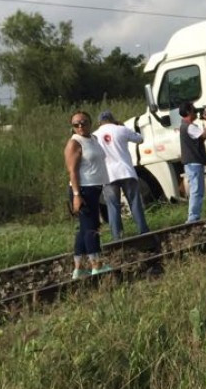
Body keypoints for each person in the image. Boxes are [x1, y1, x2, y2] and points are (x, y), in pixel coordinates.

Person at [64, 110, 112, 278]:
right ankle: (96, 265)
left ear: (90, 123)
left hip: (95, 188)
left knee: (84, 229)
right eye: (76, 124)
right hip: (83, 190)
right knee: (92, 228)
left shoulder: (93, 139)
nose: (80, 126)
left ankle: (78, 268)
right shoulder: (74, 143)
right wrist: (77, 195)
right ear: (72, 127)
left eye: (83, 122)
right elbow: (72, 172)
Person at [93, 110, 150, 240]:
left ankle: (117, 237)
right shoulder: (121, 129)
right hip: (126, 172)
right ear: (113, 119)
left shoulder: (95, 136)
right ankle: (143, 231)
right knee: (135, 203)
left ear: (99, 122)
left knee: (113, 207)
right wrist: (122, 126)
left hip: (108, 175)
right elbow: (140, 139)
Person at [179, 102, 206, 223]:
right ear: (188, 111)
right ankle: (193, 218)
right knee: (196, 191)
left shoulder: (185, 125)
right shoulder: (189, 127)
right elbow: (205, 135)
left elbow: (204, 137)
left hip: (191, 163)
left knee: (196, 190)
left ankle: (194, 217)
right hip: (194, 163)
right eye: (194, 110)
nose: (196, 112)